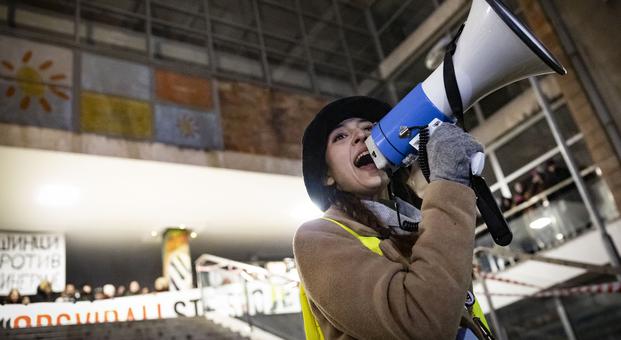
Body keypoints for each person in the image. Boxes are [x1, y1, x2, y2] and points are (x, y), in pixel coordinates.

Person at [293, 97, 489, 339]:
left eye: (369, 129)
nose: (361, 136)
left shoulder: (421, 223)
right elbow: (422, 323)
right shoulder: (317, 238)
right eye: (340, 137)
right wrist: (449, 183)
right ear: (327, 176)